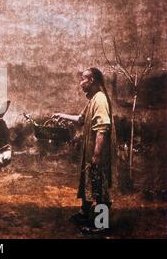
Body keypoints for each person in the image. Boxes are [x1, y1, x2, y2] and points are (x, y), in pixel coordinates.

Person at [53, 67, 116, 233]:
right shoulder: (93, 99)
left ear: (92, 80)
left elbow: (103, 129)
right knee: (88, 182)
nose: (81, 83)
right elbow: (81, 119)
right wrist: (62, 115)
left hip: (98, 153)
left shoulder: (100, 99)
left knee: (100, 188)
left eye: (83, 79)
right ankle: (84, 213)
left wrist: (96, 155)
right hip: (90, 151)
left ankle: (102, 225)